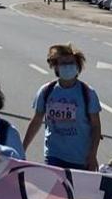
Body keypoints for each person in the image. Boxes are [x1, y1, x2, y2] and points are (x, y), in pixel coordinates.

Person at [23, 43, 101, 171]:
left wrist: (92, 155)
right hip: (54, 155)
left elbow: (96, 127)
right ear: (56, 67)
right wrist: (23, 148)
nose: (68, 67)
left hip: (80, 158)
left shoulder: (88, 93)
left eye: (71, 63)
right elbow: (36, 121)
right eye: (63, 64)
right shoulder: (46, 91)